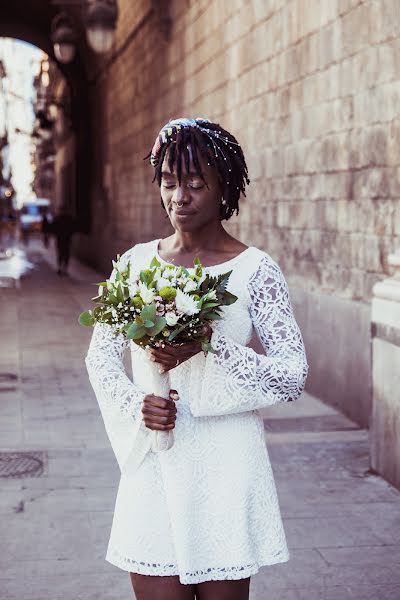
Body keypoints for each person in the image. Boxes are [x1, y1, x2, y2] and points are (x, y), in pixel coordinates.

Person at [85, 117, 309, 600]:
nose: (178, 196)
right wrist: (136, 405)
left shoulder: (255, 270)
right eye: (168, 181)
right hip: (155, 462)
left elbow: (292, 375)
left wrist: (212, 344)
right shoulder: (134, 264)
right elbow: (100, 358)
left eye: (194, 183)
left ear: (222, 186)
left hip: (226, 466)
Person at [51, 209, 76, 276]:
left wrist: (56, 234)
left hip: (60, 239)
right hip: (66, 239)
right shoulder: (69, 218)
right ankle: (64, 269)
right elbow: (73, 227)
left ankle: (60, 268)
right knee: (66, 254)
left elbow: (53, 228)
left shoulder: (58, 218)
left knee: (61, 253)